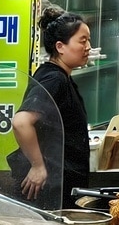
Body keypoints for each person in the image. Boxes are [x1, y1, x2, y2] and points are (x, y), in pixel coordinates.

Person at [7, 11, 91, 206]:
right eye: (82, 41)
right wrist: (37, 166)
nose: (88, 47)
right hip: (49, 192)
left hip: (61, 186)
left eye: (88, 41)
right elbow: (21, 122)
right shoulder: (54, 78)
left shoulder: (61, 76)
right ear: (60, 47)